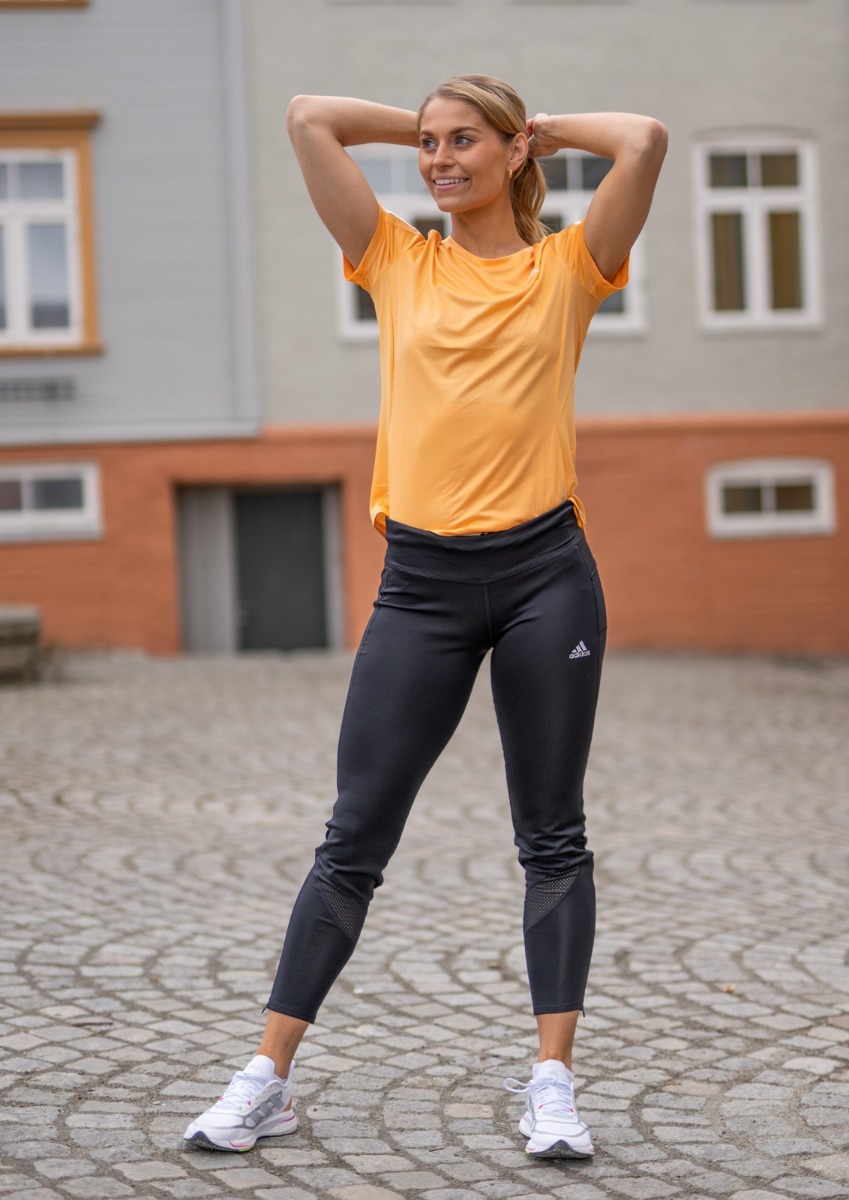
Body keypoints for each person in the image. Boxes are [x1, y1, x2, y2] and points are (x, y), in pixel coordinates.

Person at [184, 73, 666, 1159]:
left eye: (462, 145)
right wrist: (431, 124)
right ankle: (265, 1076)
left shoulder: (569, 268)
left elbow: (642, 140)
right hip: (422, 586)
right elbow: (307, 115)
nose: (437, 160)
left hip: (548, 576)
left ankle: (553, 1084)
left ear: (513, 152)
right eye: (427, 146)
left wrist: (527, 125)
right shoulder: (396, 259)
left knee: (552, 836)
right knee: (354, 836)